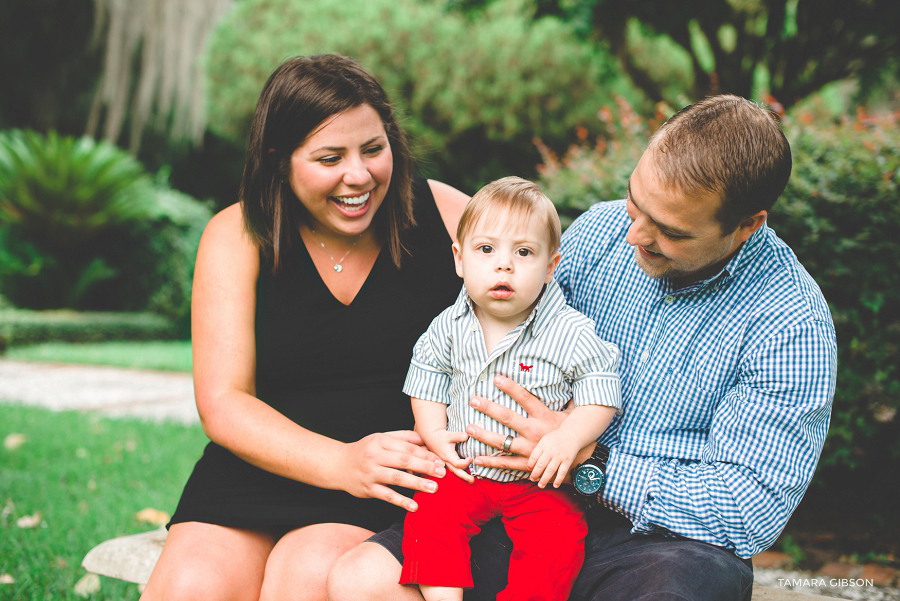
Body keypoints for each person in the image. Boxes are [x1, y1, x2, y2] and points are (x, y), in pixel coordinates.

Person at [327, 95, 837, 601]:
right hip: (522, 497)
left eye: (671, 232)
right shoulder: (599, 231)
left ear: (748, 225)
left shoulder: (790, 324)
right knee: (360, 581)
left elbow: (747, 512)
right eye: (636, 201)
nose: (635, 233)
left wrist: (589, 461)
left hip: (661, 548)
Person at [140, 54, 470, 601]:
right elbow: (222, 401)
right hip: (257, 472)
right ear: (279, 160)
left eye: (373, 148)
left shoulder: (448, 215)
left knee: (306, 575)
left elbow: (532, 302)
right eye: (329, 157)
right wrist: (339, 461)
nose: (359, 176)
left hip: (384, 481)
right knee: (188, 587)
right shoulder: (236, 235)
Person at [400, 177, 621, 601]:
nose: (504, 266)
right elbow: (427, 377)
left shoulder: (569, 331)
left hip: (537, 480)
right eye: (487, 250)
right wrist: (432, 432)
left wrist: (568, 437)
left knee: (558, 542)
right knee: (427, 516)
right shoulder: (448, 326)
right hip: (466, 469)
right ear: (459, 259)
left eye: (524, 252)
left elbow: (601, 393)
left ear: (550, 266)